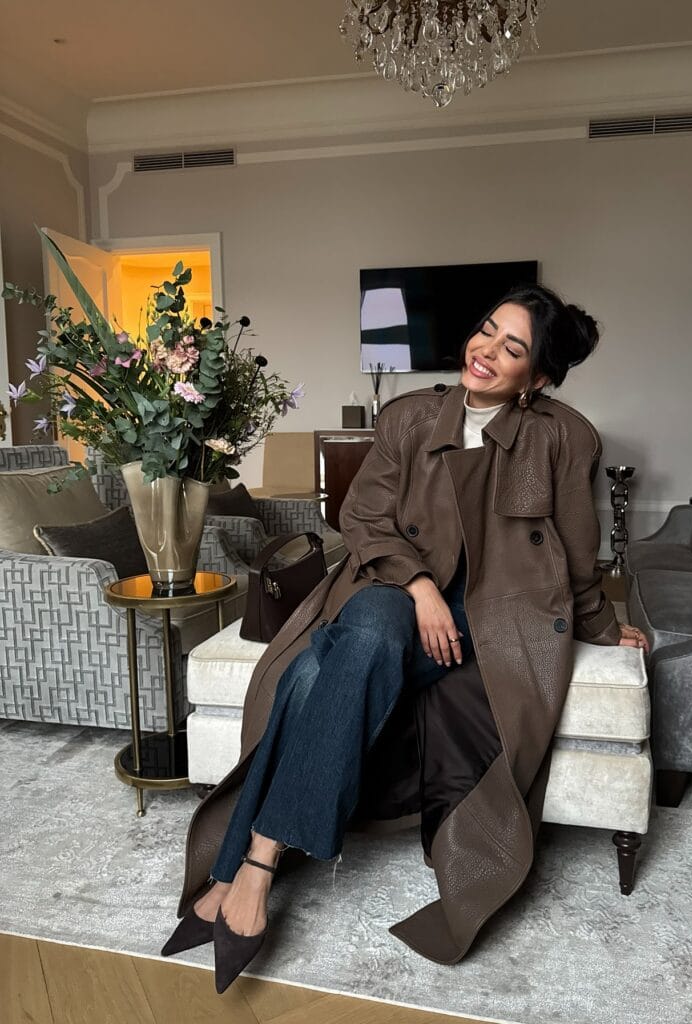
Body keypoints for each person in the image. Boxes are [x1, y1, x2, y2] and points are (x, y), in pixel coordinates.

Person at [162, 282, 650, 991]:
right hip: (390, 585)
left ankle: (239, 868)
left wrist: (604, 625)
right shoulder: (411, 416)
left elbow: (576, 552)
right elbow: (362, 518)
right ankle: (261, 867)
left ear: (537, 378)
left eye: (512, 348)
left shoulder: (564, 437)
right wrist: (420, 588)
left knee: (313, 673)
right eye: (487, 330)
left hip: (488, 610)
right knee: (368, 639)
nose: (485, 351)